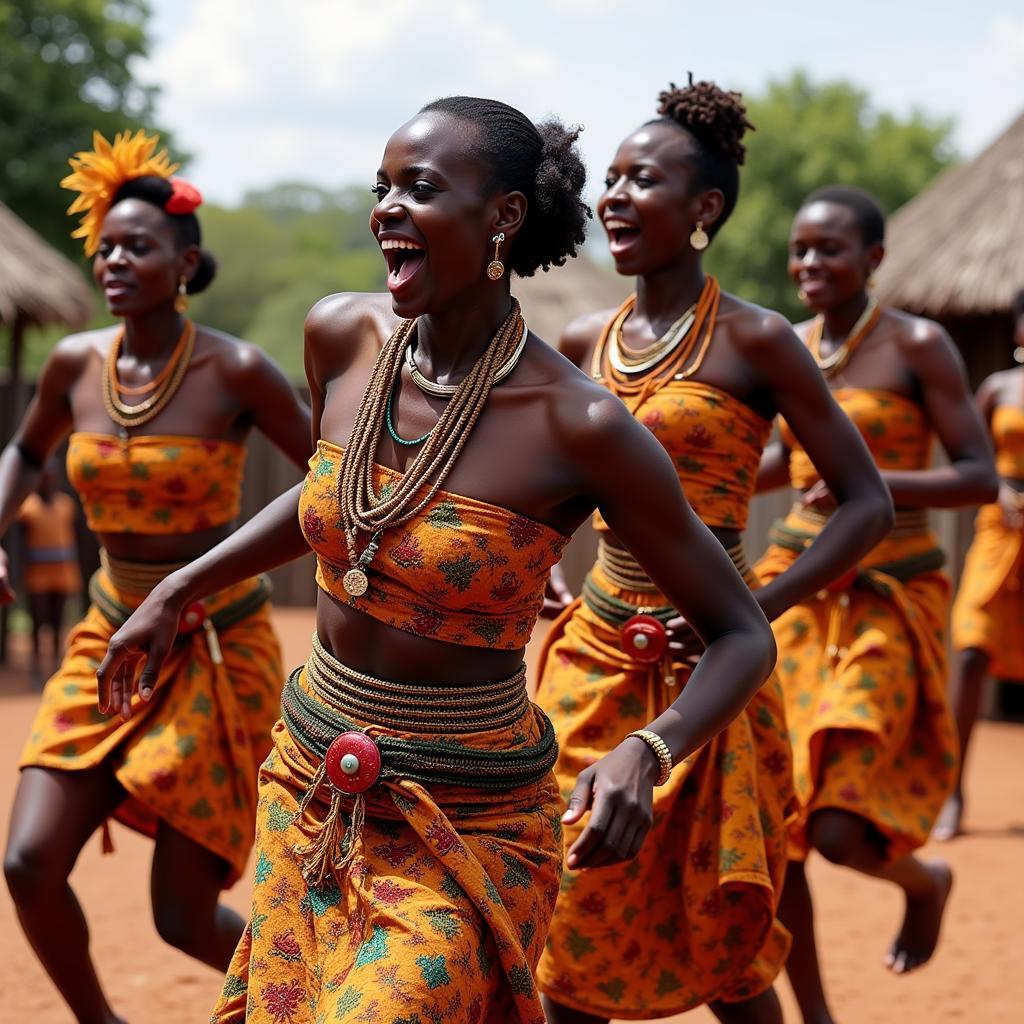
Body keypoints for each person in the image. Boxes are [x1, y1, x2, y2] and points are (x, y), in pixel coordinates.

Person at [96, 97, 778, 1024]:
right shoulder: (342, 336)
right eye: (382, 188)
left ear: (501, 216)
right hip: (311, 780)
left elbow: (742, 632)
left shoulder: (578, 423)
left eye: (420, 189)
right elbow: (332, 497)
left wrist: (646, 751)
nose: (387, 208)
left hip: (472, 814)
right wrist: (177, 588)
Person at [534, 79, 892, 1024]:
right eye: (608, 179)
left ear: (704, 210)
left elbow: (867, 503)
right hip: (593, 659)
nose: (612, 196)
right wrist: (541, 568)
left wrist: (758, 608)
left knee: (724, 932)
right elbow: (561, 487)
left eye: (640, 180)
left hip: (717, 670)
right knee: (568, 917)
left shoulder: (760, 340)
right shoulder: (583, 339)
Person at [0, 130, 313, 1024]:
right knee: (28, 863)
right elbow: (23, 453)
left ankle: (311, 997)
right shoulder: (73, 363)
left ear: (186, 261)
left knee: (178, 917)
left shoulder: (237, 371)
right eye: (104, 247)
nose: (114, 260)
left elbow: (328, 478)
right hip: (107, 629)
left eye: (137, 245)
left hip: (214, 646)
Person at [755, 185, 998, 1023]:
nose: (810, 264)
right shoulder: (786, 344)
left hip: (890, 596)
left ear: (874, 259)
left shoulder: (918, 345)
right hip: (793, 591)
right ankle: (817, 1012)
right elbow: (782, 461)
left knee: (837, 831)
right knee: (778, 825)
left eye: (830, 249)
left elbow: (980, 476)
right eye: (801, 250)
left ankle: (921, 879)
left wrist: (871, 483)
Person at [935, 289, 1024, 840]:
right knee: (969, 649)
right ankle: (953, 791)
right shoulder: (998, 389)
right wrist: (999, 493)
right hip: (1000, 533)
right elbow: (969, 457)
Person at [15, 463, 83, 681]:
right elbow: (21, 544)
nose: (47, 481)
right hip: (37, 572)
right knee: (38, 618)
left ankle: (54, 664)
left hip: (63, 571)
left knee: (56, 619)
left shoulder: (66, 505)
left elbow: (74, 537)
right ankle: (35, 664)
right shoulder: (28, 508)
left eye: (50, 477)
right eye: (43, 477)